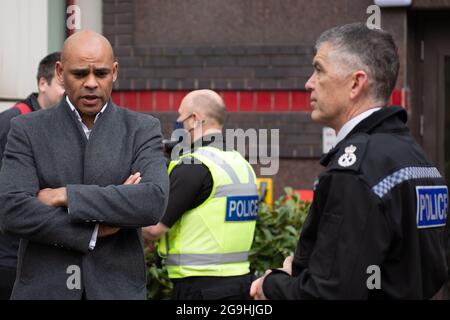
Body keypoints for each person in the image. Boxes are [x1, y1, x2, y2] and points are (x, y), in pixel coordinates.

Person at [250, 23, 449, 300]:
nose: (309, 83)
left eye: (319, 69)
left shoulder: (355, 170)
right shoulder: (418, 159)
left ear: (356, 83)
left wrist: (272, 286)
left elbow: (330, 293)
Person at [0, 30, 169, 300]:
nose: (91, 83)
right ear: (59, 71)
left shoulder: (142, 129)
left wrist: (64, 195)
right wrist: (95, 230)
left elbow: (152, 201)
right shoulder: (26, 129)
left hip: (117, 291)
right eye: (79, 74)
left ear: (114, 72)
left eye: (100, 74)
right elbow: (12, 210)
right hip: (44, 291)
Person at [142, 89, 258, 300]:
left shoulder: (193, 165)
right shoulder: (242, 164)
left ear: (194, 119)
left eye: (180, 116)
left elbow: (153, 228)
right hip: (241, 284)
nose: (178, 122)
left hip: (200, 288)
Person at [0, 52, 64, 300]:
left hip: (40, 254)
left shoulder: (55, 125)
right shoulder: (14, 125)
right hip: (10, 259)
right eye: (62, 85)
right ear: (42, 84)